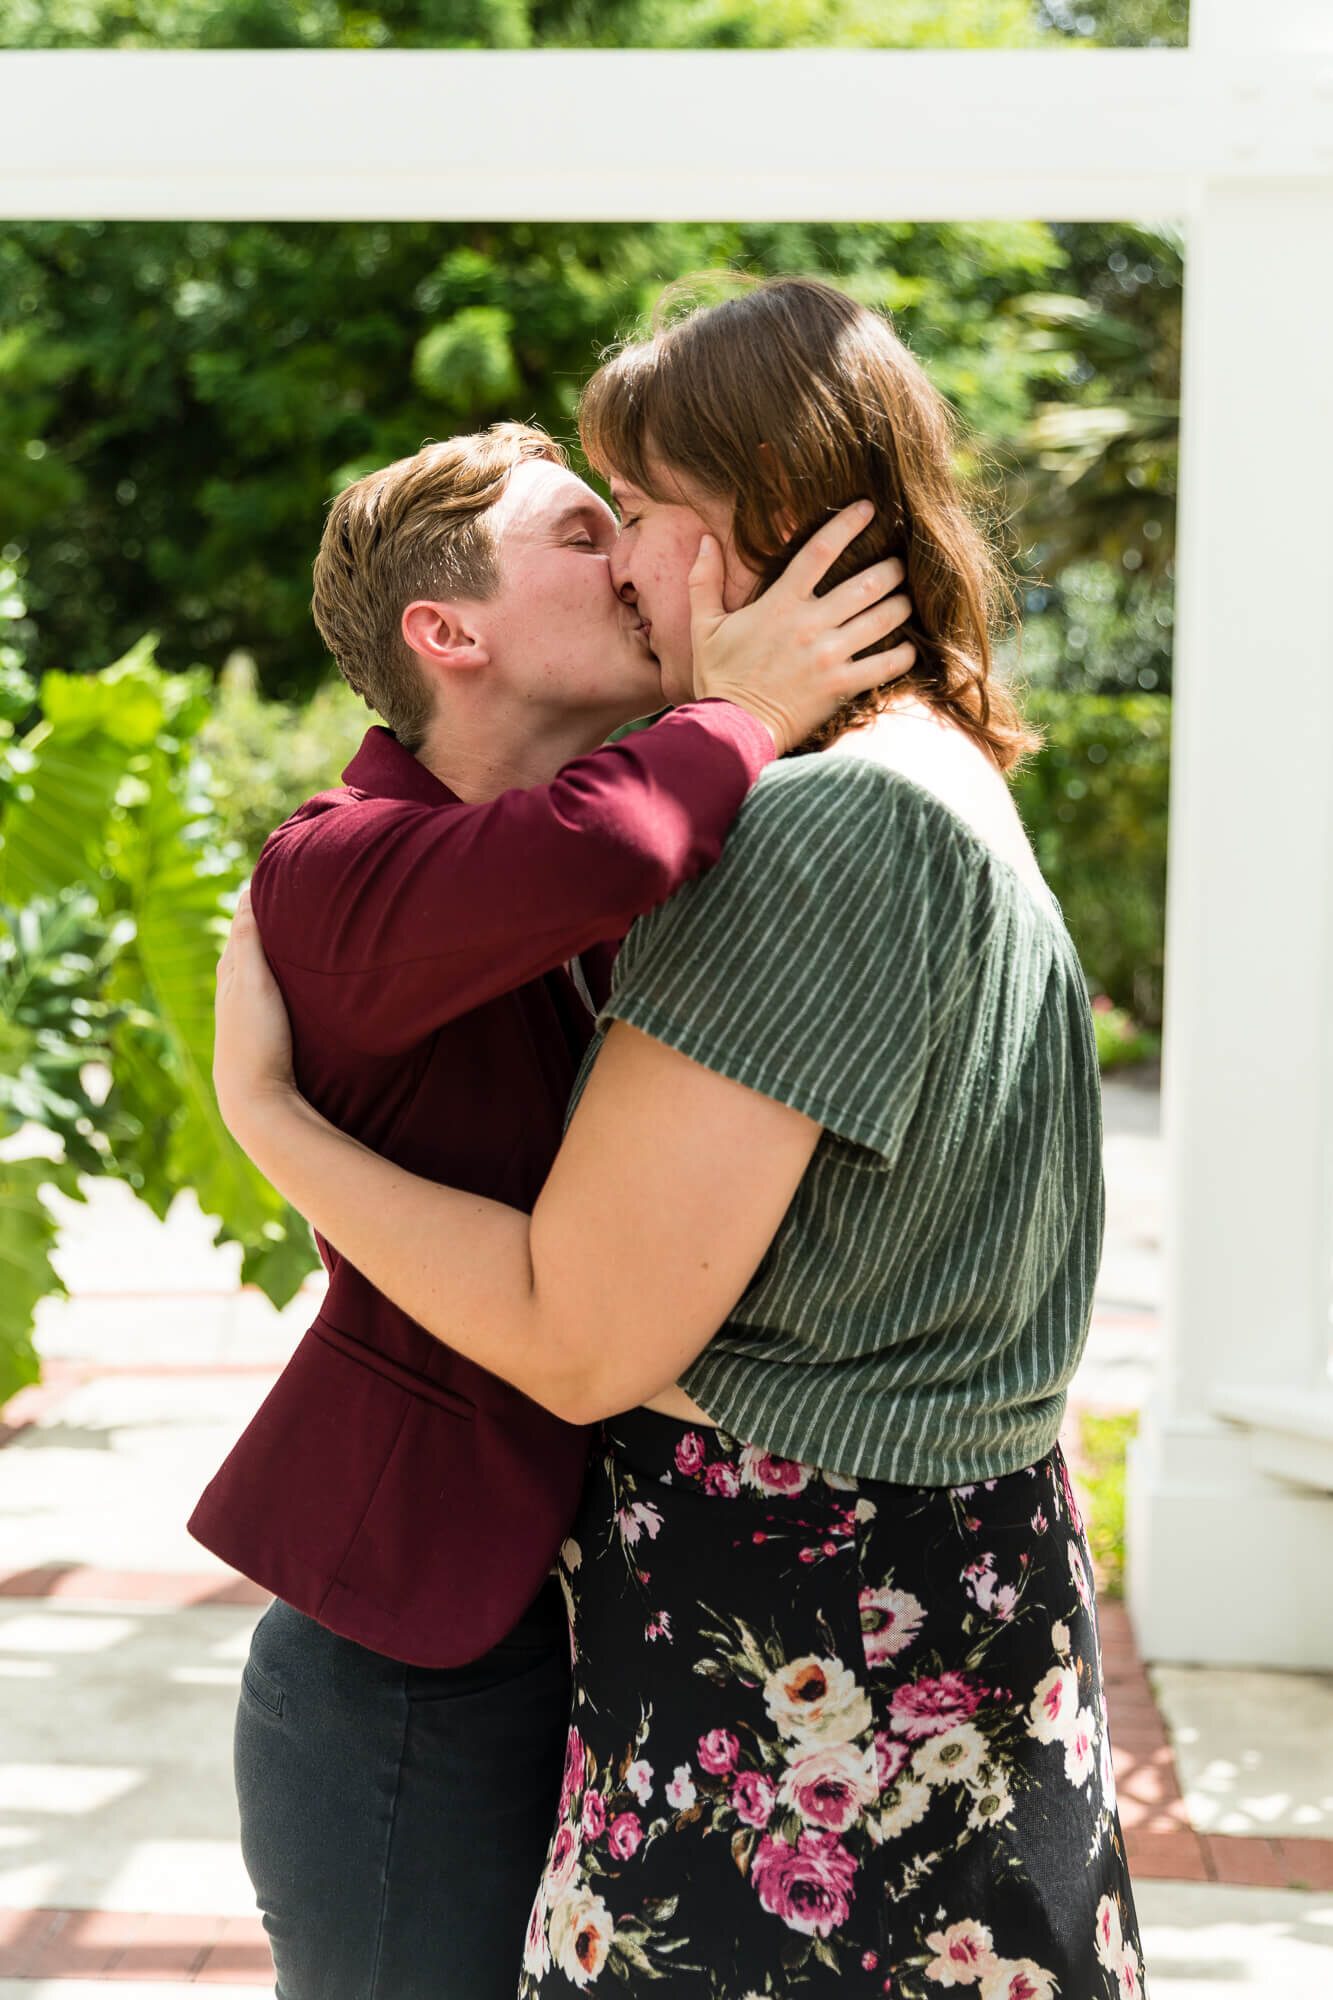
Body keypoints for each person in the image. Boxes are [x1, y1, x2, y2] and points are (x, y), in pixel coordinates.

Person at [212, 278, 1145, 1998]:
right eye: (593, 526)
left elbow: (582, 1337)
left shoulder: (812, 824)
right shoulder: (360, 857)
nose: (627, 562)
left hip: (814, 1653)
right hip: (537, 1653)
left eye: (632, 512)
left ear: (762, 523)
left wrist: (261, 1118)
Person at [188, 415, 914, 2000]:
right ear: (446, 631)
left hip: (627, 1632)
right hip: (408, 1673)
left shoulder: (666, 863)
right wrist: (751, 703)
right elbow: (605, 839)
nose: (636, 561)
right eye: (586, 533)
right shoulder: (331, 870)